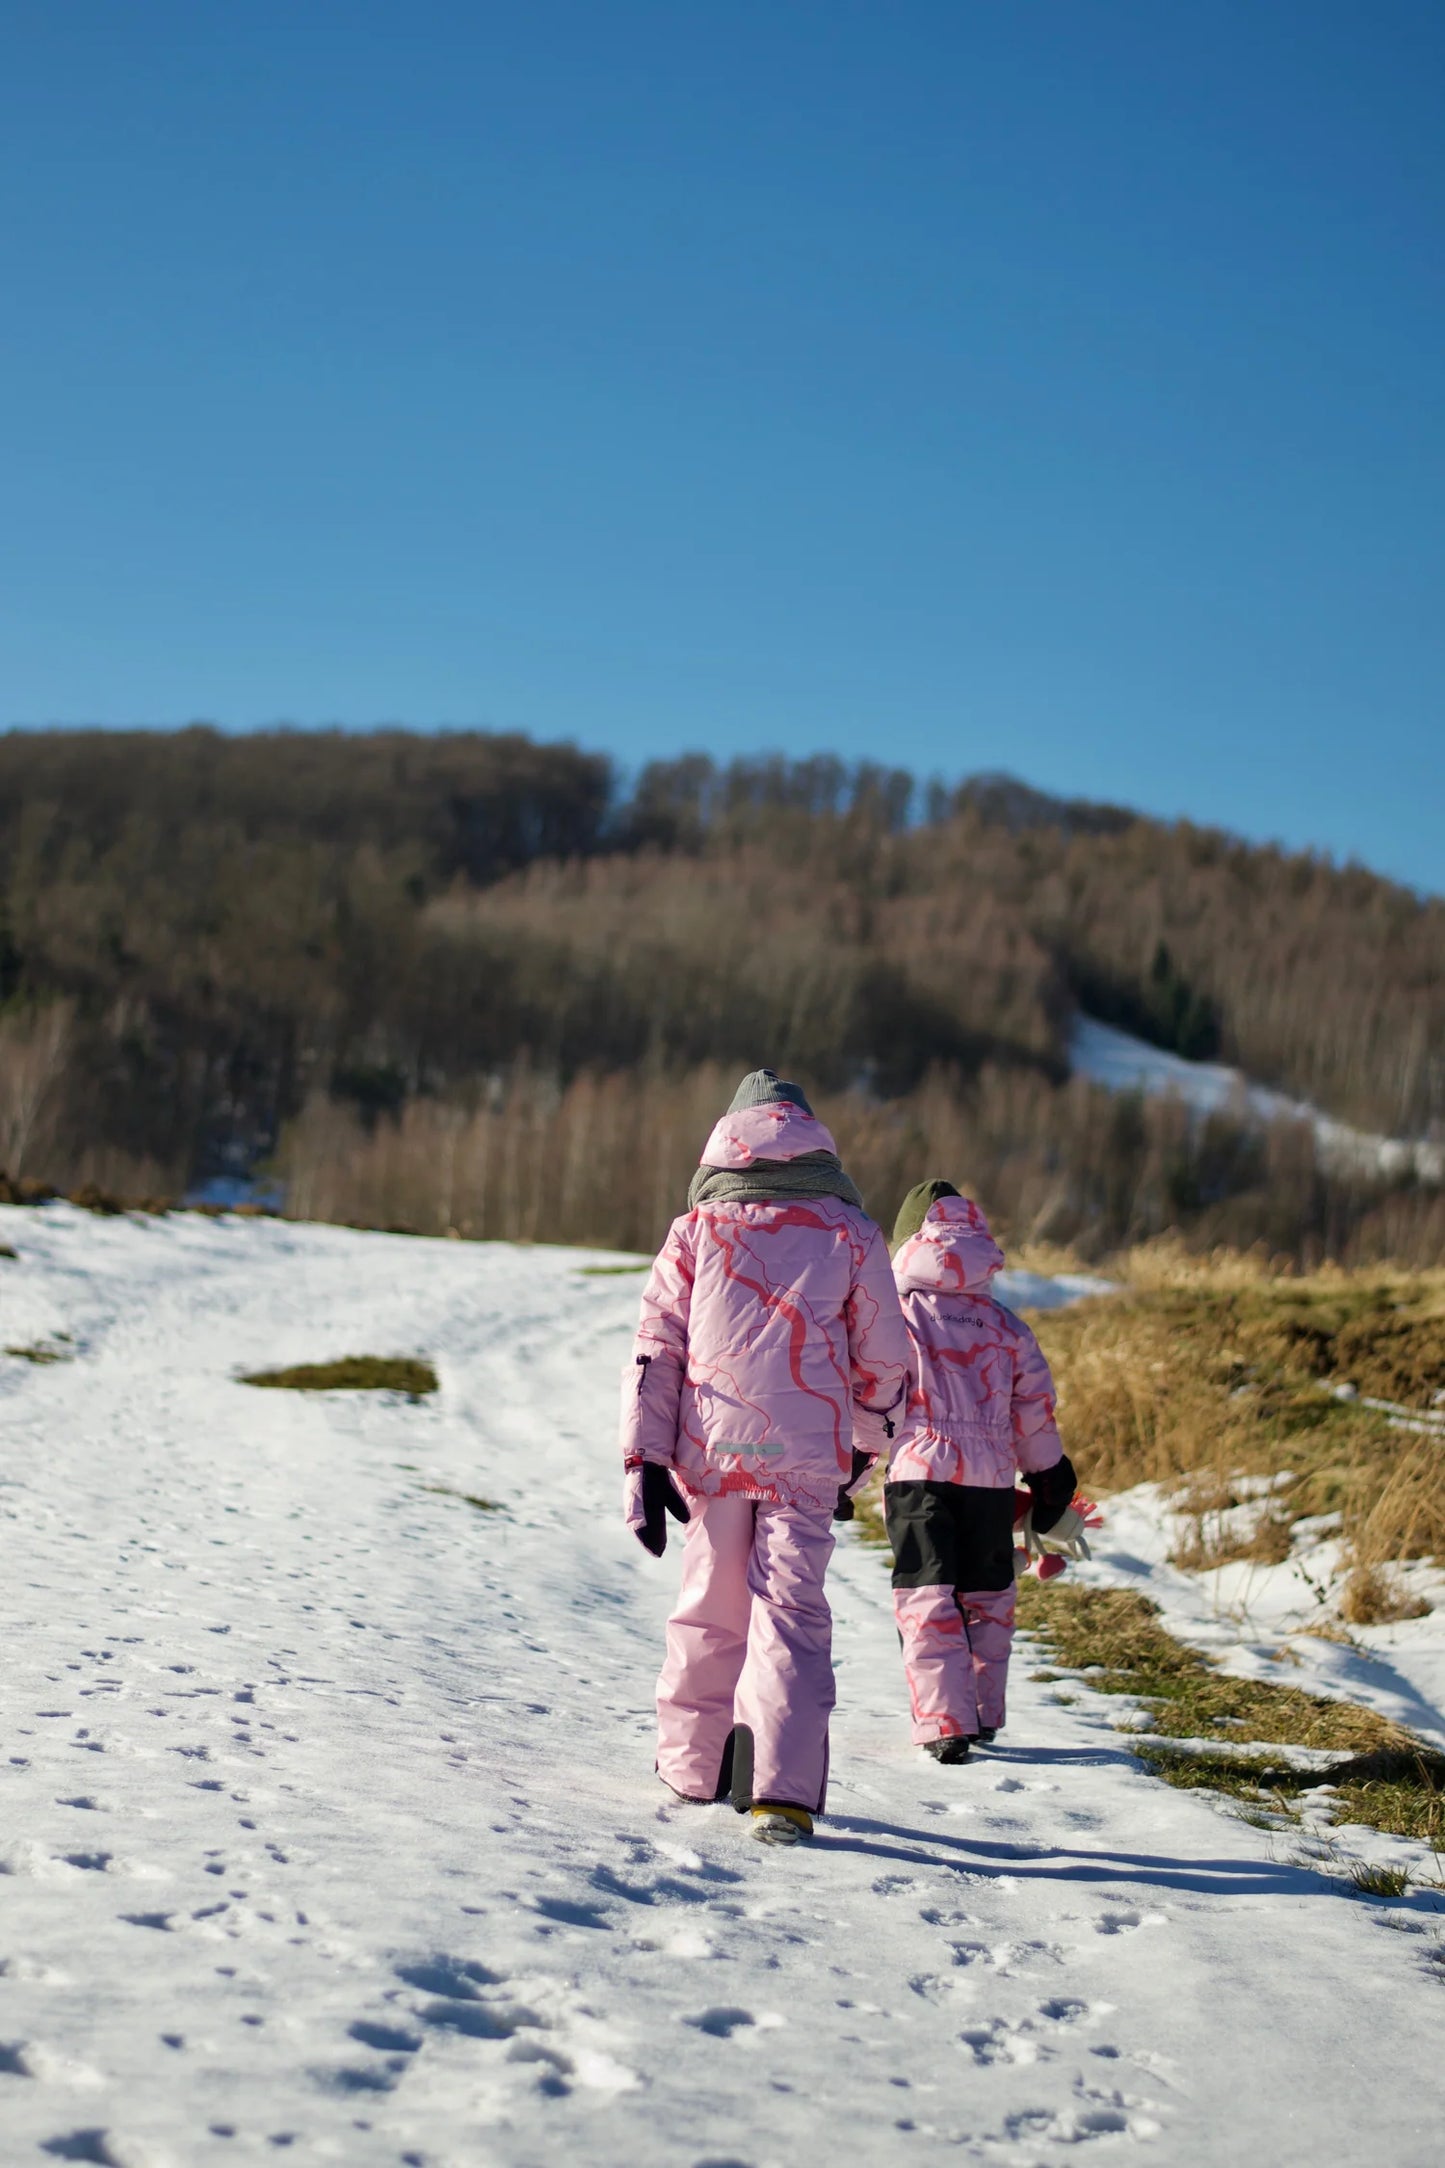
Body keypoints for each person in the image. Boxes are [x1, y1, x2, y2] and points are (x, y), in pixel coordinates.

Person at [620, 1069, 912, 1845]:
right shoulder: (851, 1232)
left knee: (708, 1604)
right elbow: (884, 1358)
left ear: (729, 1141)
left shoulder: (695, 1231)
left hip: (712, 1449)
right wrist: (866, 1445)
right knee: (789, 1613)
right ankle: (777, 1793)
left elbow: (657, 1351)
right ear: (813, 1142)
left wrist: (644, 1459)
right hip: (805, 1453)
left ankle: (693, 1768)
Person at [883, 1180, 1092, 1763]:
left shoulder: (894, 1317)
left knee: (928, 1593)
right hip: (991, 1480)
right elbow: (1033, 1413)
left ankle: (946, 1722)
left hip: (920, 1474)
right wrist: (1049, 1477)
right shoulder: (1006, 1327)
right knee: (988, 1594)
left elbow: (869, 1392)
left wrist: (844, 1467)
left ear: (906, 1247)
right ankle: (982, 1711)